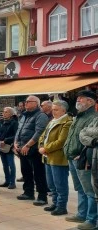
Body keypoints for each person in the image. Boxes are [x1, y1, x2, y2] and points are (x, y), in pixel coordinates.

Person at [63, 90, 98, 229]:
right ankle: (82, 214)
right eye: (78, 99)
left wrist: (83, 153)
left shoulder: (93, 117)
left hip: (83, 159)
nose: (78, 101)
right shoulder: (78, 116)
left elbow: (89, 139)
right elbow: (79, 135)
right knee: (80, 189)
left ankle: (91, 220)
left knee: (90, 190)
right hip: (72, 157)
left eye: (81, 99)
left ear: (91, 101)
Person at [38, 100, 72, 216]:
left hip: (58, 158)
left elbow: (61, 141)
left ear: (64, 110)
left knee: (60, 184)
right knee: (51, 184)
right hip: (48, 157)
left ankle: (62, 206)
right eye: (52, 109)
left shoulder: (67, 122)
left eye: (56, 109)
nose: (53, 112)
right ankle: (55, 203)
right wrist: (41, 145)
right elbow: (43, 135)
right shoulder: (52, 121)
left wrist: (45, 148)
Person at [14, 95, 49, 205]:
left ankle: (42, 196)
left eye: (29, 101)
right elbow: (19, 130)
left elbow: (39, 132)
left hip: (33, 149)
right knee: (26, 172)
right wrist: (16, 143)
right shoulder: (24, 115)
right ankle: (28, 192)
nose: (26, 103)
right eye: (26, 101)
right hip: (22, 148)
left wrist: (28, 145)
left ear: (36, 103)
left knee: (39, 173)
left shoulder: (40, 115)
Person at [0, 107, 19, 189]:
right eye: (3, 112)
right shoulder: (2, 122)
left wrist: (6, 140)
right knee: (4, 165)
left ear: (11, 114)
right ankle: (7, 181)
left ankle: (12, 182)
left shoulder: (14, 123)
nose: (3, 113)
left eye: (6, 112)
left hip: (9, 146)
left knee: (11, 164)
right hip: (1, 146)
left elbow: (16, 135)